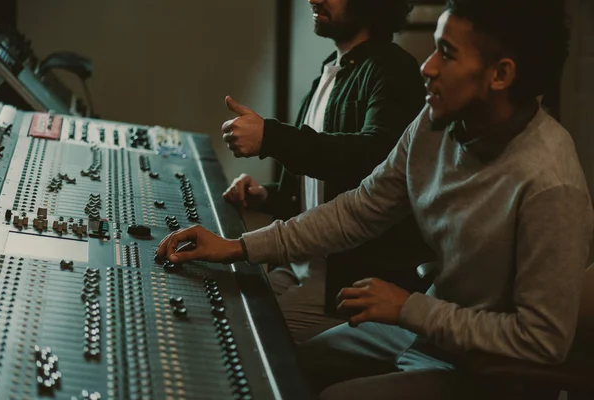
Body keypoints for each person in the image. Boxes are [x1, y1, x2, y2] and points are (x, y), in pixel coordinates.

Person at [157, 0, 591, 398]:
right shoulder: (434, 124)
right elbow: (359, 210)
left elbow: (541, 341)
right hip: (430, 329)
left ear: (500, 75)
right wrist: (240, 248)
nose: (427, 66)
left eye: (447, 52)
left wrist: (411, 308)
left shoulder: (550, 184)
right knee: (287, 367)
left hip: (488, 372)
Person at [218, 0, 434, 342]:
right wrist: (269, 195)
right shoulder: (330, 70)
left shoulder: (391, 68)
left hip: (341, 284)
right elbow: (319, 186)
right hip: (299, 267)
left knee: (245, 337)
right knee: (224, 303)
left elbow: (374, 161)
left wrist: (271, 137)